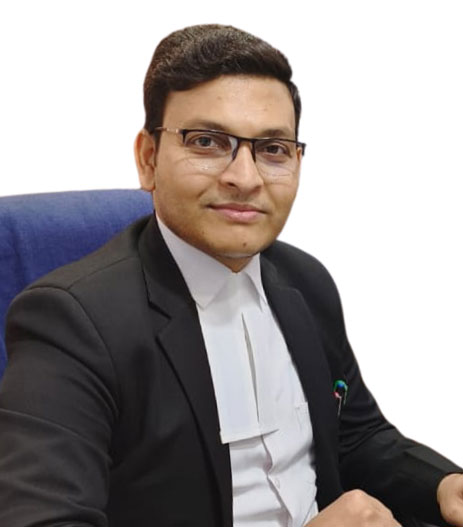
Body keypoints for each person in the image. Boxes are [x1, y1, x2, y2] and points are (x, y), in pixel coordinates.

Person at [0, 23, 462, 527]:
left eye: (273, 149)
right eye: (206, 142)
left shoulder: (305, 281)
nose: (245, 178)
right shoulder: (71, 323)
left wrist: (443, 484)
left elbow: (357, 437)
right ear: (148, 159)